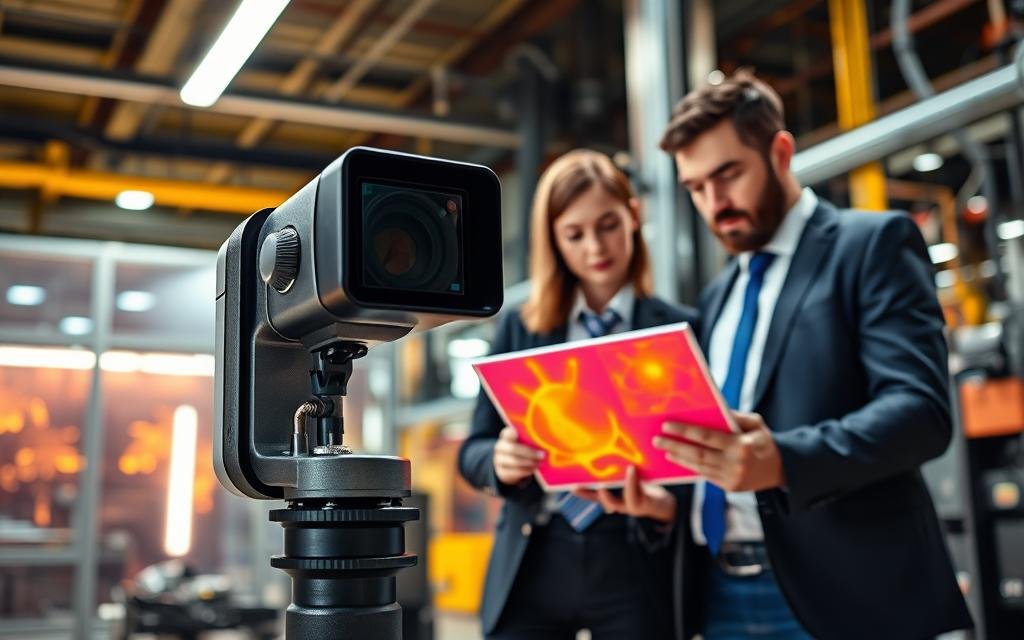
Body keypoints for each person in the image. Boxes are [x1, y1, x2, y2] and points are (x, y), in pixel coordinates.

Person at [579, 71, 973, 640]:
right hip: (718, 591)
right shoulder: (717, 297)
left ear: (780, 152)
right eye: (695, 187)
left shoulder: (870, 246)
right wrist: (666, 504)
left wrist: (784, 460)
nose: (714, 203)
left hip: (843, 591)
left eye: (728, 174)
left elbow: (921, 413)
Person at [458, 149, 697, 639]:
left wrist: (667, 505)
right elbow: (473, 449)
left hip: (633, 558)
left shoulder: (681, 330)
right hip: (537, 553)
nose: (595, 247)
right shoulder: (521, 329)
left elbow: (702, 459)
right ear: (554, 241)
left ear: (634, 216)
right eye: (575, 234)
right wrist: (498, 461)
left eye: (608, 225)